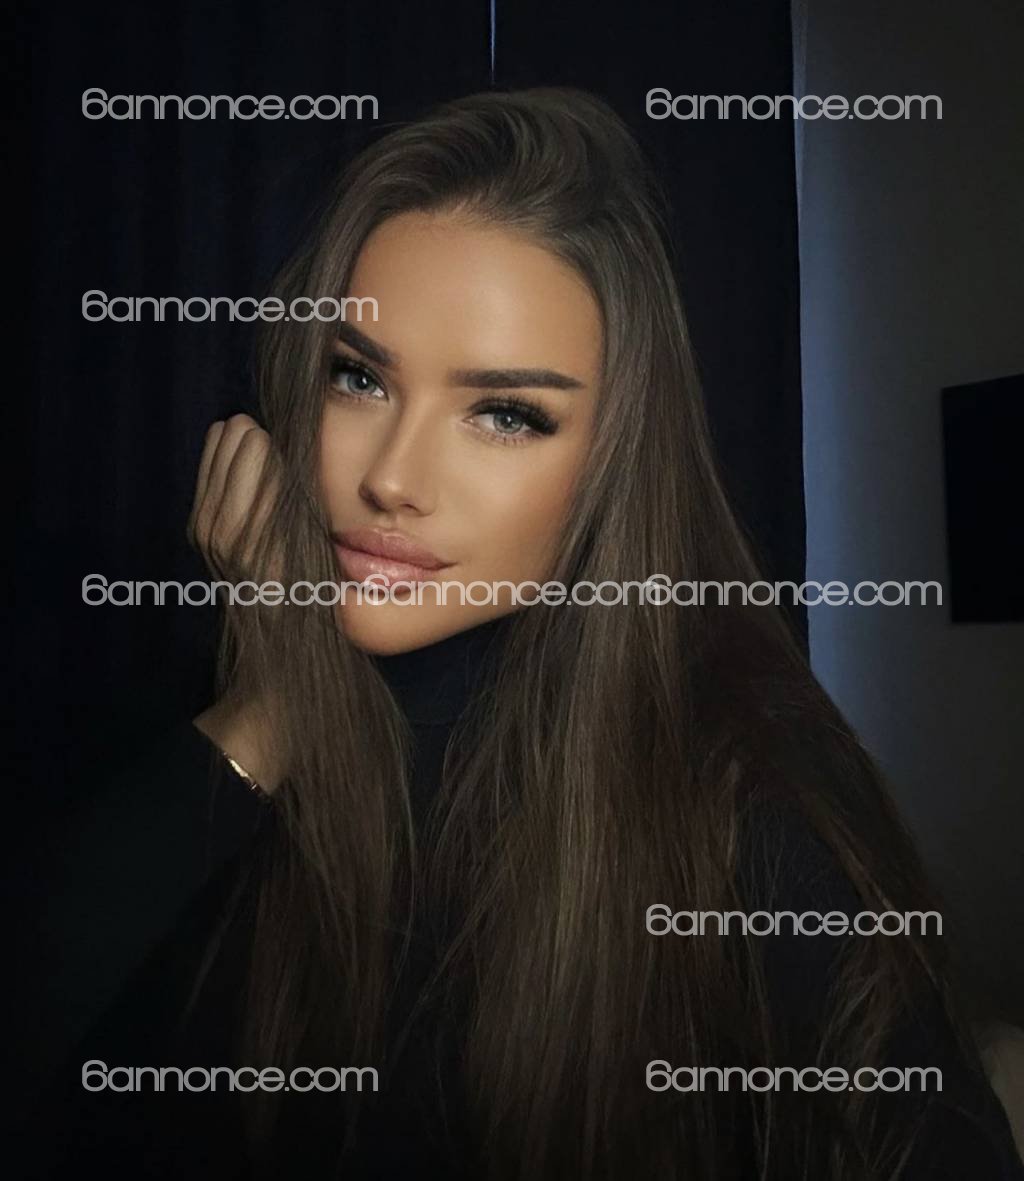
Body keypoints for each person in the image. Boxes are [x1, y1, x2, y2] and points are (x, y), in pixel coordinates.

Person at [20, 87, 1023, 1180]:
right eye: (358, 377)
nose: (392, 478)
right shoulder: (226, 728)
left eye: (503, 414)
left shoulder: (746, 807)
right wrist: (274, 698)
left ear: (612, 463)